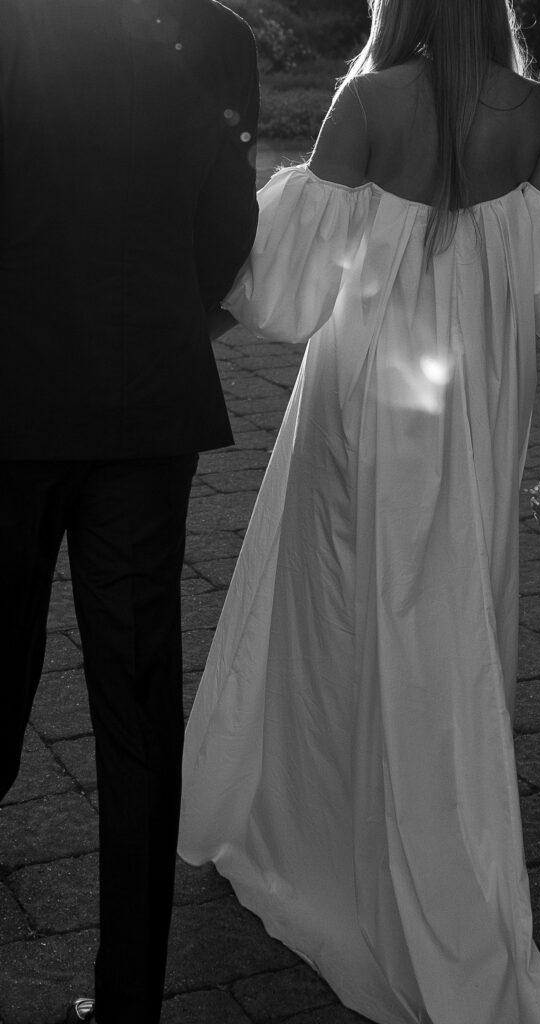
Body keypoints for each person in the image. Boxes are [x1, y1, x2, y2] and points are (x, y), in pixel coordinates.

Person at [178, 1, 540, 1022]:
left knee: (341, 594)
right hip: (472, 396)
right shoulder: (533, 113)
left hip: (363, 395)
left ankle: (328, 815)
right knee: (448, 593)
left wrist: (170, 327)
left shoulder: (368, 103)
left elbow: (286, 278)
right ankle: (437, 816)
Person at [0, 1, 258, 1022]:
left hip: (11, 411)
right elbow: (227, 224)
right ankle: (128, 1000)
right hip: (147, 411)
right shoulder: (175, 68)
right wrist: (164, 318)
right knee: (140, 708)